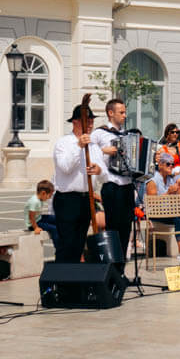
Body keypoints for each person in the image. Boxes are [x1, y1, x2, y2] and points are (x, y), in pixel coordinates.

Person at [49, 95, 106, 264]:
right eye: (85, 121)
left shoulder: (94, 146)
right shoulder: (64, 143)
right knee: (67, 243)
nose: (89, 124)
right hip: (67, 199)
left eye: (91, 121)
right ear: (75, 122)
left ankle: (75, 280)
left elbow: (104, 175)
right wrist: (79, 146)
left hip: (86, 199)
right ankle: (63, 282)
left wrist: (99, 170)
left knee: (79, 243)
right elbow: (65, 167)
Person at [93, 99, 138, 255]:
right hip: (111, 185)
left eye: (125, 112)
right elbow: (88, 153)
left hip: (127, 185)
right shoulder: (99, 133)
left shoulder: (128, 134)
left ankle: (121, 270)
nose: (125, 115)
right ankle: (111, 267)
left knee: (126, 227)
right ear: (110, 113)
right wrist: (103, 151)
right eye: (121, 112)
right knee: (113, 227)